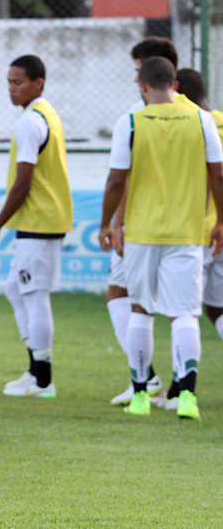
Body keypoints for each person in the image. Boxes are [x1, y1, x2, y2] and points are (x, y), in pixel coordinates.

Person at [99, 56, 223, 419]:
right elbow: (218, 174)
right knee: (185, 314)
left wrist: (107, 223)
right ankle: (187, 396)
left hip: (140, 233)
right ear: (175, 85)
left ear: (142, 84)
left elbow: (116, 179)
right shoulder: (201, 121)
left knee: (140, 310)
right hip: (187, 233)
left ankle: (140, 396)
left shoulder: (131, 122)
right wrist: (221, 221)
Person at [0, 55, 72, 398]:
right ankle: (35, 370)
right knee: (16, 290)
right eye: (8, 81)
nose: (11, 88)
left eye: (18, 82)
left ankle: (43, 380)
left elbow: (23, 183)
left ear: (38, 83)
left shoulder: (31, 122)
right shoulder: (47, 115)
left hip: (39, 220)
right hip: (42, 219)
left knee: (34, 295)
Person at [107, 37, 182, 405]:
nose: (136, 76)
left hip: (143, 226)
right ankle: (167, 383)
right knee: (182, 308)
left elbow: (124, 176)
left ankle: (148, 379)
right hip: (184, 226)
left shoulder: (138, 115)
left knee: (137, 301)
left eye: (139, 69)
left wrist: (116, 222)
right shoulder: (193, 112)